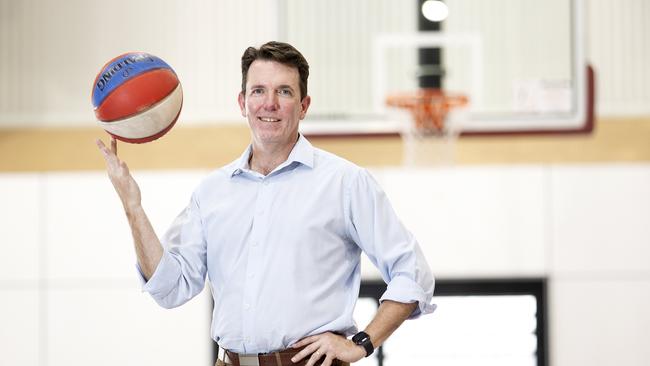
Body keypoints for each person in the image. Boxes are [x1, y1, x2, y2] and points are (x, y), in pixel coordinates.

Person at [96, 41, 435, 366]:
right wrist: (132, 206)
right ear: (242, 102)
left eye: (284, 92)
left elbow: (412, 273)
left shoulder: (344, 182)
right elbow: (169, 288)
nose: (269, 103)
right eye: (258, 91)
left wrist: (362, 342)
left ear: (304, 106)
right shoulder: (212, 192)